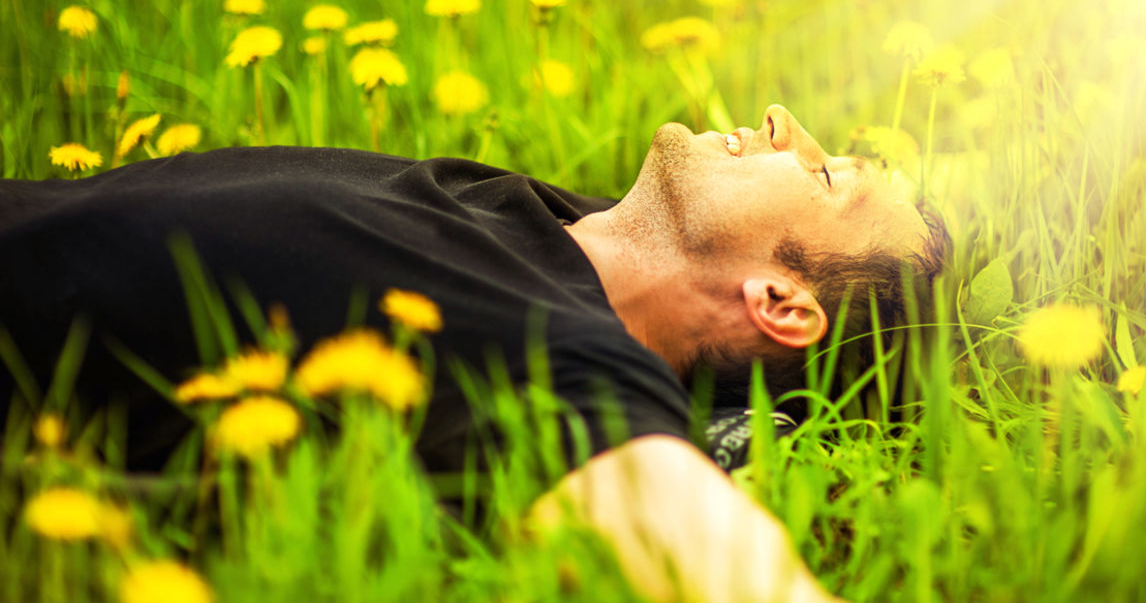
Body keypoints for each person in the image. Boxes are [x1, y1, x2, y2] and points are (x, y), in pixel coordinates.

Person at [1, 104, 947, 603]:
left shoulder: (560, 355)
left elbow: (710, 549)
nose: (785, 120)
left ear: (780, 304)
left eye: (825, 176)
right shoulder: (560, 221)